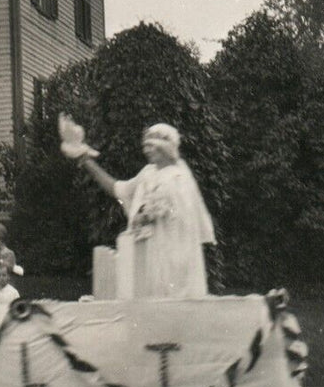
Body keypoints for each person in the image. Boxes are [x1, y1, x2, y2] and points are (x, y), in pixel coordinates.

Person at [64, 118, 215, 299]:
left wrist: (148, 214)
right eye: (146, 146)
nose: (147, 151)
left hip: (173, 254)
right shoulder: (148, 173)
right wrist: (84, 158)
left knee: (169, 297)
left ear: (166, 147)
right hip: (148, 250)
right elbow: (117, 188)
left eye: (152, 146)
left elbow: (184, 224)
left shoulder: (179, 178)